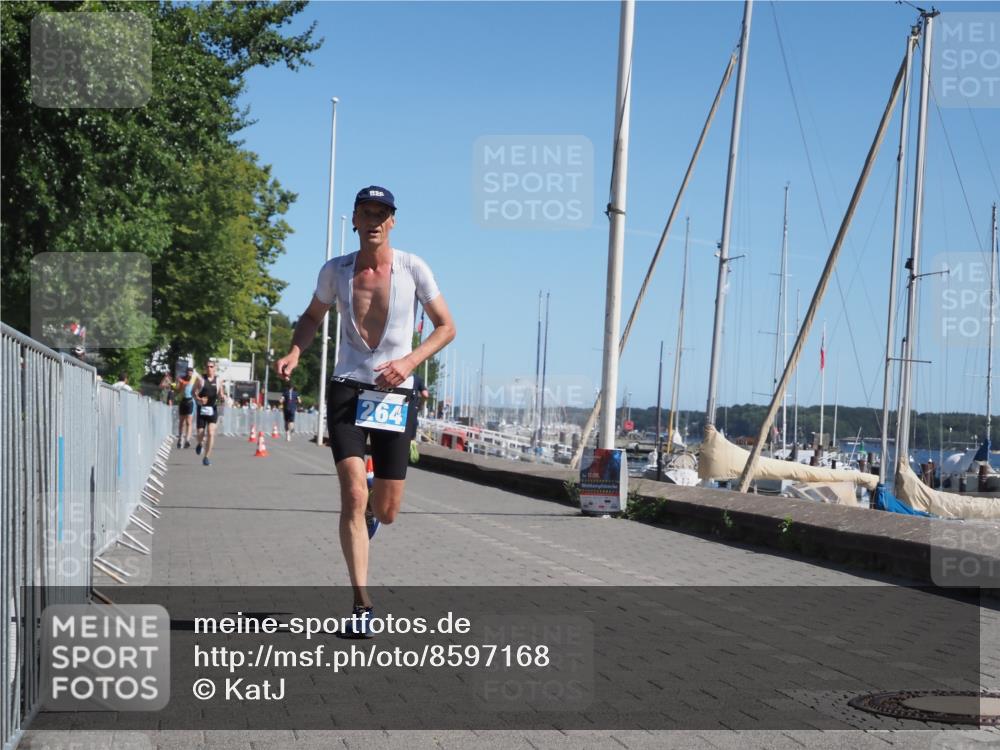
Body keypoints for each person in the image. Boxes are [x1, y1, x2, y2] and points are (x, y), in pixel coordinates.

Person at [276, 185, 455, 632]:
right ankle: (361, 606)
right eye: (366, 212)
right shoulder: (335, 270)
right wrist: (296, 350)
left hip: (395, 394)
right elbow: (312, 316)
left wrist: (408, 363)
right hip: (347, 388)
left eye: (381, 213)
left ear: (392, 221)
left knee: (387, 511)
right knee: (353, 496)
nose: (373, 220)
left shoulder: (414, 268)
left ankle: (376, 507)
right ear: (354, 219)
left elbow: (446, 327)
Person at [194, 360, 222, 466]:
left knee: (211, 433)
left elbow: (221, 394)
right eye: (207, 366)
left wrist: (222, 397)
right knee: (200, 434)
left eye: (211, 366)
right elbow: (194, 393)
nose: (209, 368)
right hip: (201, 409)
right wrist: (199, 399)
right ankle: (200, 443)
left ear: (215, 368)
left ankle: (206, 457)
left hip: (212, 410)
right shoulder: (201, 380)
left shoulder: (218, 380)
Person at [174, 366, 197, 449]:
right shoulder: (182, 379)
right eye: (188, 372)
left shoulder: (193, 380)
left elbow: (196, 387)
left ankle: (187, 439)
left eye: (191, 372)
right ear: (186, 372)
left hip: (190, 401)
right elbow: (178, 390)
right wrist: (176, 384)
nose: (189, 373)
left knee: (189, 422)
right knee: (181, 422)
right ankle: (180, 438)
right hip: (183, 401)